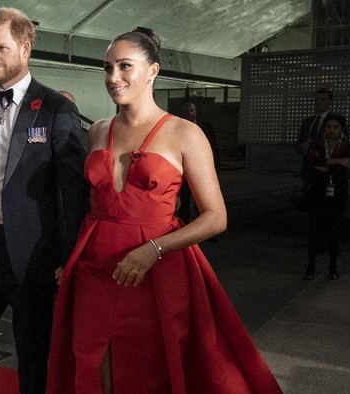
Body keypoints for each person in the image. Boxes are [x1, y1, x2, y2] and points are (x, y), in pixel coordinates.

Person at [47, 27, 281, 393]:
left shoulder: (186, 133)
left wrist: (153, 249)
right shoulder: (98, 130)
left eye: (125, 66)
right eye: (107, 68)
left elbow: (216, 218)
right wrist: (69, 258)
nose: (113, 77)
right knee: (93, 361)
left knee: (147, 370)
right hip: (95, 265)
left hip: (154, 270)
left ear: (153, 71)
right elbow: (84, 203)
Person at [0, 7, 89, 394]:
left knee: (33, 359)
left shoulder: (57, 108)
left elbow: (74, 192)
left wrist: (69, 257)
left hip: (34, 258)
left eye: (2, 48)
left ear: (25, 48)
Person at [302, 113, 350, 280]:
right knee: (314, 229)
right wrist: (337, 162)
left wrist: (326, 165)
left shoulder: (345, 146)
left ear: (341, 130)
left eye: (335, 127)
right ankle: (311, 265)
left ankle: (333, 265)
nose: (331, 130)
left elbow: (345, 168)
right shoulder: (316, 144)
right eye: (329, 126)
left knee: (334, 229)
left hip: (337, 192)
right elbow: (313, 162)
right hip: (317, 191)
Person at [177, 100, 219, 224]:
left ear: (196, 112)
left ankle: (205, 228)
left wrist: (217, 166)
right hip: (183, 170)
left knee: (203, 201)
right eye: (186, 111)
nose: (189, 113)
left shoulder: (205, 128)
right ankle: (183, 227)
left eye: (191, 110)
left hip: (202, 170)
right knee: (184, 200)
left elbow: (213, 148)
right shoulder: (177, 128)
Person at [296, 88, 339, 190]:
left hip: (328, 171)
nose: (318, 102)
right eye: (316, 100)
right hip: (309, 171)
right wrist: (302, 147)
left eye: (323, 100)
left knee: (329, 199)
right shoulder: (307, 122)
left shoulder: (337, 121)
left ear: (330, 102)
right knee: (310, 199)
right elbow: (298, 145)